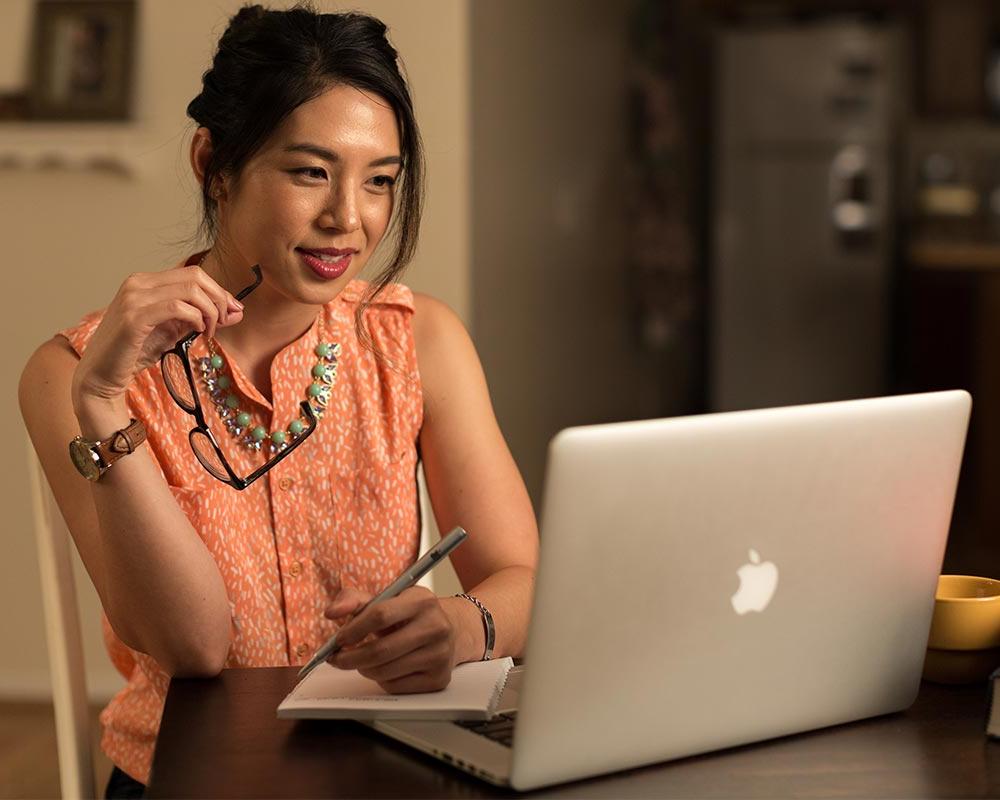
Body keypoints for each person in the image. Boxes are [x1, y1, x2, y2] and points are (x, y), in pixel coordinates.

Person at [19, 5, 538, 796]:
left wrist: (466, 624)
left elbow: (521, 575)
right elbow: (191, 646)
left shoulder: (419, 338)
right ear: (213, 164)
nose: (348, 219)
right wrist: (102, 400)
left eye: (380, 182)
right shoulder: (73, 373)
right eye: (309, 171)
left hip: (393, 763)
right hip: (192, 775)